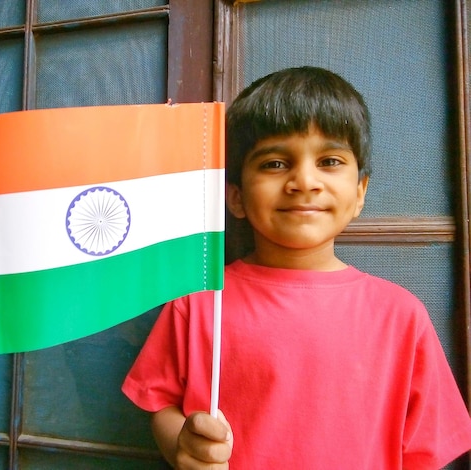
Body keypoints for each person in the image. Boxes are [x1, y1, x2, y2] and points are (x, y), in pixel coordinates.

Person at [122, 66, 471, 468]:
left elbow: (426, 451)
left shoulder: (401, 315)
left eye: (330, 160)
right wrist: (183, 447)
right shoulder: (200, 301)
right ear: (235, 197)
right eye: (274, 164)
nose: (304, 181)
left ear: (359, 193)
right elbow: (160, 402)